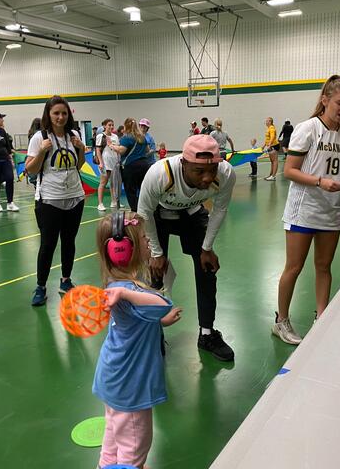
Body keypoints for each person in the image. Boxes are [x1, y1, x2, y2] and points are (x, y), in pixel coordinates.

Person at [275, 75, 340, 345]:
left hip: (332, 212)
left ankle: (321, 317)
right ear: (325, 100)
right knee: (294, 267)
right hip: (304, 209)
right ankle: (281, 321)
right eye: (339, 103)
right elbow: (289, 171)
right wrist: (320, 182)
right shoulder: (308, 128)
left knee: (324, 266)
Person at [93, 211, 182, 469]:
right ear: (123, 250)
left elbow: (142, 317)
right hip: (131, 386)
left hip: (113, 379)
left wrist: (158, 322)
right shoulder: (127, 291)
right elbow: (164, 303)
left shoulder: (114, 284)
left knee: (112, 437)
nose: (148, 242)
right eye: (143, 238)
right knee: (134, 446)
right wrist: (130, 294)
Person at [137, 135, 237, 361]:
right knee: (154, 274)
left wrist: (207, 248)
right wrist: (156, 253)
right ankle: (154, 334)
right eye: (199, 171)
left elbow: (219, 210)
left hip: (192, 213)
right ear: (183, 163)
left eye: (212, 170)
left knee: (207, 269)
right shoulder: (159, 174)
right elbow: (143, 213)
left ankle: (207, 333)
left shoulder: (225, 173)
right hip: (157, 215)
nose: (207, 178)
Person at [26, 96, 87, 306]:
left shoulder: (74, 135)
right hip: (49, 199)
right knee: (48, 245)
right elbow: (31, 169)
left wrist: (80, 148)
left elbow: (78, 165)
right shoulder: (39, 138)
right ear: (48, 115)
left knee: (69, 242)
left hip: (75, 197)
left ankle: (65, 281)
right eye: (56, 113)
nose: (60, 117)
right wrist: (42, 150)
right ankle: (41, 286)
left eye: (64, 113)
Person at [115, 118, 151, 212]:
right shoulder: (142, 137)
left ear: (126, 126)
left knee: (131, 190)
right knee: (143, 189)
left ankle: (135, 211)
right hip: (144, 165)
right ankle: (145, 209)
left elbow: (122, 151)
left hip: (131, 166)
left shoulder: (126, 137)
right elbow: (147, 150)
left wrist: (112, 146)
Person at [94, 118, 120, 211]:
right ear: (104, 126)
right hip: (105, 162)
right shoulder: (101, 136)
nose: (111, 127)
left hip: (114, 162)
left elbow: (117, 149)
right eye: (109, 125)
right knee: (103, 183)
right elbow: (98, 150)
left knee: (113, 183)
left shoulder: (115, 137)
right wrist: (101, 162)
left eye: (112, 125)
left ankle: (114, 202)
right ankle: (100, 204)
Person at [263, 117, 280, 181]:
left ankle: (273, 176)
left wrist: (269, 145)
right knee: (272, 161)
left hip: (274, 145)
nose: (266, 122)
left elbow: (272, 137)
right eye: (266, 121)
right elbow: (267, 138)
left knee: (274, 160)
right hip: (270, 145)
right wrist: (264, 145)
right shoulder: (268, 128)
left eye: (267, 121)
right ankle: (271, 174)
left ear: (270, 122)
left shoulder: (272, 128)